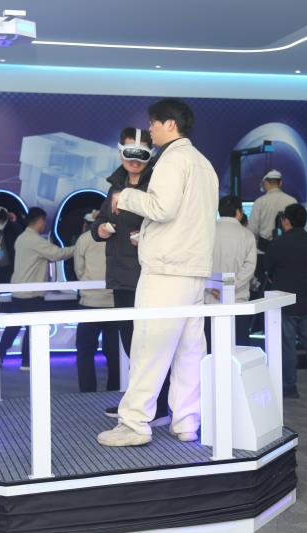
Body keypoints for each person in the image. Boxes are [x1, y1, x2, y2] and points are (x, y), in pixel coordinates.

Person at [97, 98, 218, 447]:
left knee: (148, 348)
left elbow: (161, 208)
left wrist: (125, 197)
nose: (149, 129)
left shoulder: (172, 160)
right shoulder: (203, 164)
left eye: (153, 123)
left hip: (166, 271)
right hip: (193, 270)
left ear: (170, 124)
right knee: (189, 351)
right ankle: (187, 422)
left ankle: (134, 423)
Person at [92, 127, 170, 425]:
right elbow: (100, 221)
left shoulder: (160, 184)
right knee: (131, 344)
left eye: (141, 154)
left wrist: (148, 238)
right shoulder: (114, 186)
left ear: (150, 154)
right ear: (120, 152)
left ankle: (159, 405)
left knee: (154, 344)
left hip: (151, 275)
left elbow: (168, 222)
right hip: (122, 277)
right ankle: (137, 403)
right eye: (129, 153)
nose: (134, 160)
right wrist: (100, 230)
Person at [263, 203, 307, 400]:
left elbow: (268, 268)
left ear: (286, 221)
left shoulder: (279, 243)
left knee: (287, 344)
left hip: (287, 303)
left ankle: (289, 386)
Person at [0, 207, 75, 369]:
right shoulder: (35, 241)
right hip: (31, 294)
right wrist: (79, 247)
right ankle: (26, 361)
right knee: (32, 330)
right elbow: (58, 254)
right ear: (40, 220)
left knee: (12, 329)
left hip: (19, 291)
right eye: (44, 221)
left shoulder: (22, 238)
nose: (45, 224)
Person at [74, 212, 120, 393]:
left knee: (85, 352)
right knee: (114, 352)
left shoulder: (84, 239)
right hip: (114, 302)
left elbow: (79, 270)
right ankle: (115, 389)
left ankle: (87, 392)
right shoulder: (118, 237)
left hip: (89, 302)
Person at [204, 195, 257, 347]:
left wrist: (215, 286)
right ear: (239, 212)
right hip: (237, 302)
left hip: (210, 300)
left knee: (211, 349)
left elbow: (199, 264)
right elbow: (249, 267)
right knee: (238, 349)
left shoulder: (207, 233)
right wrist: (228, 286)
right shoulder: (247, 235)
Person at [248, 169, 297, 253]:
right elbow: (296, 228)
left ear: (266, 183)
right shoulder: (292, 201)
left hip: (264, 251)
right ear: (280, 183)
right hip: (287, 249)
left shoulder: (259, 202)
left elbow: (252, 230)